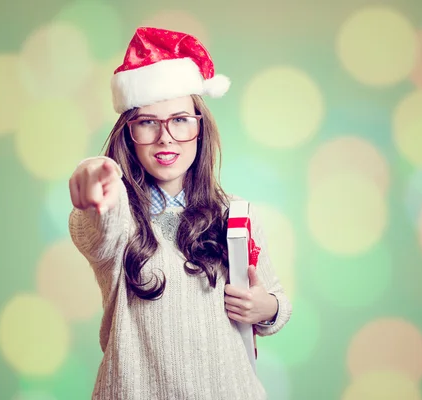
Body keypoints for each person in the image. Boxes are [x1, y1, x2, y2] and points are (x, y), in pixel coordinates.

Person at [68, 27, 292, 400]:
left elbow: (275, 300)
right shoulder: (119, 216)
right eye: (147, 122)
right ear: (128, 133)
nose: (165, 137)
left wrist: (265, 308)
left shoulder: (233, 212)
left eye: (180, 120)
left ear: (200, 128)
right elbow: (96, 229)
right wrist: (95, 179)